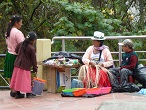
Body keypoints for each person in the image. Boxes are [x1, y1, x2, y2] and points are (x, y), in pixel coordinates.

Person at [10, 31, 38, 99]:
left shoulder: (20, 44)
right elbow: (34, 60)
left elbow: (16, 51)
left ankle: (17, 93)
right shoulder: (31, 48)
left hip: (17, 65)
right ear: (33, 40)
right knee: (26, 80)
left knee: (18, 79)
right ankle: (28, 93)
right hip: (25, 66)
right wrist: (35, 68)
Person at [4, 15, 25, 97]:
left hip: (9, 54)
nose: (21, 24)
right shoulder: (18, 33)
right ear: (16, 23)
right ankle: (17, 91)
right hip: (16, 56)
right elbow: (23, 45)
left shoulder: (8, 31)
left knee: (10, 73)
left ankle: (13, 90)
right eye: (20, 22)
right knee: (17, 74)